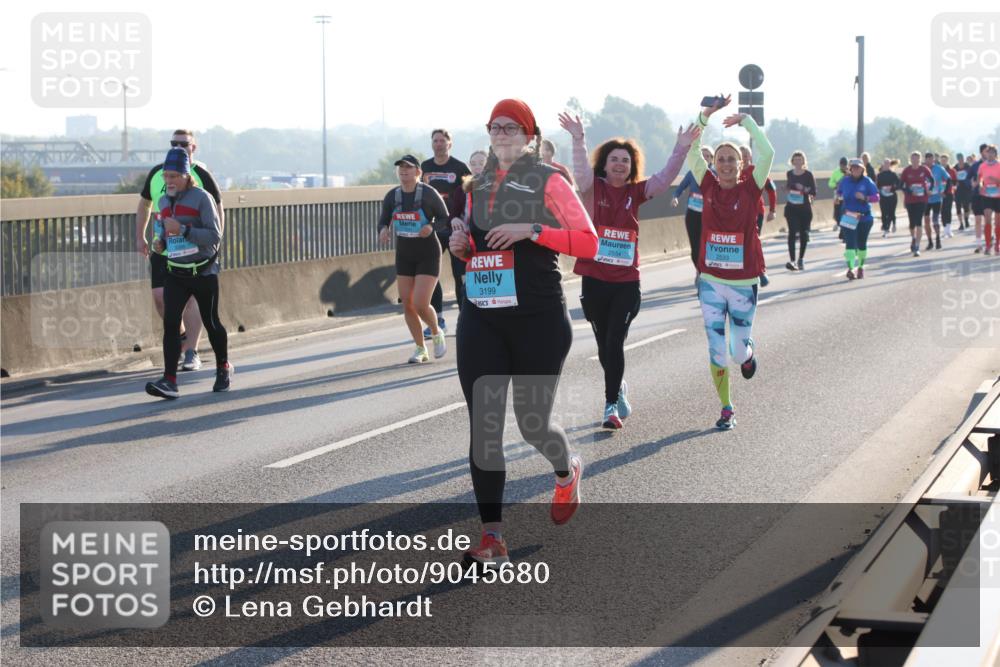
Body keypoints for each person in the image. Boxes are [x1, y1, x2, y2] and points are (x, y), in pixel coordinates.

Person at [450, 99, 598, 566]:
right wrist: (462, 247)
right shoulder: (477, 185)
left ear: (530, 135)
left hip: (538, 319)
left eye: (512, 127)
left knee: (533, 425)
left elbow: (588, 242)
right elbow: (480, 250)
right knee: (485, 429)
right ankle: (491, 538)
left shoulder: (549, 179)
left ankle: (566, 467)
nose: (502, 133)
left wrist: (531, 228)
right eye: (496, 126)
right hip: (482, 318)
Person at [558, 111, 689, 429]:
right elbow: (579, 172)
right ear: (604, 163)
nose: (619, 164)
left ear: (632, 167)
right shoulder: (592, 188)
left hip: (626, 282)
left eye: (625, 161)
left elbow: (665, 176)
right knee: (604, 345)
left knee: (615, 341)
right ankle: (619, 388)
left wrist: (681, 148)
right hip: (594, 279)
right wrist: (578, 137)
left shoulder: (637, 192)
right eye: (614, 159)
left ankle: (610, 406)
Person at [683, 95, 773, 430]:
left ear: (740, 165)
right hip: (710, 281)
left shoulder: (751, 188)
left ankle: (748, 353)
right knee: (717, 350)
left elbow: (769, 153)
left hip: (743, 284)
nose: (724, 163)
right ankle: (726, 407)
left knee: (736, 353)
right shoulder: (706, 183)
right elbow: (692, 151)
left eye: (730, 159)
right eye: (720, 158)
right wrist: (705, 118)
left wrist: (747, 122)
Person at [145, 148, 231, 399]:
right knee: (171, 324)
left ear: (186, 175)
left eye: (173, 176)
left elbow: (214, 237)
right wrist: (160, 242)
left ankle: (223, 367)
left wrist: (182, 230)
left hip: (203, 272)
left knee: (212, 322)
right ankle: (169, 380)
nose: (168, 181)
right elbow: (164, 233)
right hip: (176, 273)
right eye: (165, 176)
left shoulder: (202, 198)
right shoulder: (163, 202)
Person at [136, 129, 223, 372]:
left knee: (196, 304)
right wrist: (146, 238)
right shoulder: (158, 177)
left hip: (196, 253)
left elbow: (217, 209)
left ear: (193, 147)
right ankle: (182, 343)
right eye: (173, 142)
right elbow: (145, 205)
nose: (178, 145)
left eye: (183, 143)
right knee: (160, 299)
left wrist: (214, 244)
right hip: (165, 253)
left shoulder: (201, 178)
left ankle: (193, 354)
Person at [378, 155, 449, 363]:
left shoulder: (428, 194)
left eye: (409, 168)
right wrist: (383, 230)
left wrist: (431, 227)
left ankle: (436, 332)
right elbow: (383, 220)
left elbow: (445, 218)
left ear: (418, 172)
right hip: (405, 254)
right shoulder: (393, 196)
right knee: (407, 304)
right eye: (400, 168)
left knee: (420, 303)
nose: (404, 171)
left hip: (428, 253)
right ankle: (420, 349)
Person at [421, 130, 472, 334]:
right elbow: (418, 193)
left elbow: (471, 193)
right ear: (431, 144)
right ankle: (437, 320)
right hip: (433, 228)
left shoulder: (459, 167)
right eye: (435, 141)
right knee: (430, 274)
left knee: (460, 276)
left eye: (443, 141)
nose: (439, 144)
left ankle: (465, 319)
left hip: (456, 228)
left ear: (450, 144)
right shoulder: (424, 167)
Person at [672, 145, 715, 278]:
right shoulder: (692, 173)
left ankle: (706, 273)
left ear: (712, 159)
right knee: (695, 248)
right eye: (703, 155)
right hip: (692, 214)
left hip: (709, 216)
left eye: (708, 156)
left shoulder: (715, 174)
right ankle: (700, 271)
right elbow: (679, 188)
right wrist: (675, 198)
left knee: (706, 246)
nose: (705, 158)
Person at [835, 159, 879, 280]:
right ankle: (850, 269)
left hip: (864, 217)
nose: (855, 170)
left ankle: (860, 267)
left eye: (858, 168)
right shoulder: (845, 181)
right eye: (853, 168)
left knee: (861, 244)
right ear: (850, 169)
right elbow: (838, 193)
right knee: (850, 243)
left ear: (862, 169)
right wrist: (838, 197)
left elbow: (876, 197)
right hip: (849, 216)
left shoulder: (867, 181)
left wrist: (865, 197)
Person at [783, 150, 817, 271]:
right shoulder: (789, 174)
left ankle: (800, 259)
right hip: (791, 207)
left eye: (800, 159)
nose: (798, 162)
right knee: (792, 233)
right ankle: (792, 261)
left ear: (803, 161)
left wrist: (803, 189)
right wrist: (787, 190)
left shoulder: (808, 174)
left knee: (804, 234)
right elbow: (788, 187)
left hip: (804, 209)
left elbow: (813, 192)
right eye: (795, 160)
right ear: (792, 162)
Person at [900, 152, 933, 257]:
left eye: (917, 159)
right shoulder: (906, 171)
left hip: (922, 199)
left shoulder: (924, 169)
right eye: (913, 159)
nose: (915, 161)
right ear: (910, 159)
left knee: (919, 221)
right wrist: (909, 191)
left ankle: (917, 247)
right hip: (910, 200)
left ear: (920, 160)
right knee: (912, 223)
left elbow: (932, 180)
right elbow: (901, 185)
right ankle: (913, 238)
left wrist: (929, 190)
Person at [978, 144, 1000, 255]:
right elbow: (980, 178)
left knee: (998, 222)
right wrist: (981, 185)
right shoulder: (982, 166)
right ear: (985, 154)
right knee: (987, 220)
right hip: (987, 195)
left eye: (992, 152)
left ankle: (997, 244)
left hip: (998, 196)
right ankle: (987, 245)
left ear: (996, 154)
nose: (990, 154)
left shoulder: (999, 165)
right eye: (988, 152)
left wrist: (995, 180)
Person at [923, 152, 947, 250]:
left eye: (931, 159)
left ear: (934, 159)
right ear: (925, 160)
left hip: (937, 198)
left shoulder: (939, 168)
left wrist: (943, 190)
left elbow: (947, 179)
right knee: (926, 221)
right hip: (925, 199)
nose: (930, 161)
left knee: (935, 220)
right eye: (928, 159)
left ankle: (937, 239)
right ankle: (930, 241)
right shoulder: (922, 169)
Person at [970, 144, 989, 253]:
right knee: (978, 220)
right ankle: (978, 245)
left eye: (989, 151)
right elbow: (968, 178)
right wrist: (971, 183)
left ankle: (989, 239)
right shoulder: (975, 166)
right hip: (977, 196)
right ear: (982, 152)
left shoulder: (995, 164)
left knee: (988, 220)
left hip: (990, 196)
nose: (988, 153)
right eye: (986, 151)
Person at [876, 159, 901, 237]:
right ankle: (885, 227)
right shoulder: (879, 175)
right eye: (885, 164)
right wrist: (881, 189)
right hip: (883, 196)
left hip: (892, 196)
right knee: (883, 212)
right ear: (883, 165)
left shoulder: (893, 174)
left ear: (890, 165)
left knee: (891, 212)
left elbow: (899, 184)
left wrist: (892, 188)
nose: (886, 165)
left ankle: (893, 224)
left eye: (888, 164)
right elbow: (877, 185)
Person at [939, 154, 957, 238]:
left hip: (949, 193)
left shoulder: (952, 171)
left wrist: (953, 186)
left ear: (947, 160)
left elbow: (954, 182)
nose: (943, 161)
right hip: (940, 193)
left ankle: (949, 229)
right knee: (942, 211)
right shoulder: (938, 169)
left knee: (948, 210)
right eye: (942, 160)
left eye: (945, 160)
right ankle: (945, 229)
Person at [954, 152, 973, 231]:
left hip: (967, 188)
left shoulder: (967, 166)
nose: (960, 160)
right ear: (957, 159)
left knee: (966, 206)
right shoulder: (955, 168)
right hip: (958, 189)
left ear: (963, 158)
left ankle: (966, 220)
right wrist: (955, 183)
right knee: (958, 207)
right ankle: (961, 223)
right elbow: (952, 178)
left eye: (961, 158)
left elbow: (972, 175)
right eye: (958, 158)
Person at [829, 157, 848, 231]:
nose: (843, 167)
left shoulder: (850, 172)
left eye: (845, 165)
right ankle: (839, 224)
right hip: (837, 196)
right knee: (837, 212)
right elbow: (830, 183)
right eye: (842, 165)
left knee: (845, 213)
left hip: (846, 196)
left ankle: (843, 230)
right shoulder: (836, 172)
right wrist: (836, 185)